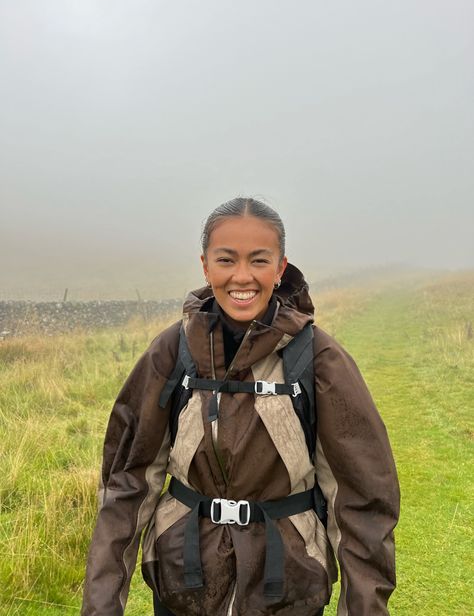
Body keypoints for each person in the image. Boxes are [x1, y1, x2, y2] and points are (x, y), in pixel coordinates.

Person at [81, 197, 400, 616]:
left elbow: (362, 501)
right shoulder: (171, 352)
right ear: (205, 265)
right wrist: (102, 605)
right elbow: (128, 485)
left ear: (281, 267)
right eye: (227, 260)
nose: (242, 276)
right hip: (183, 584)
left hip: (287, 588)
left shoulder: (318, 360)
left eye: (260, 260)